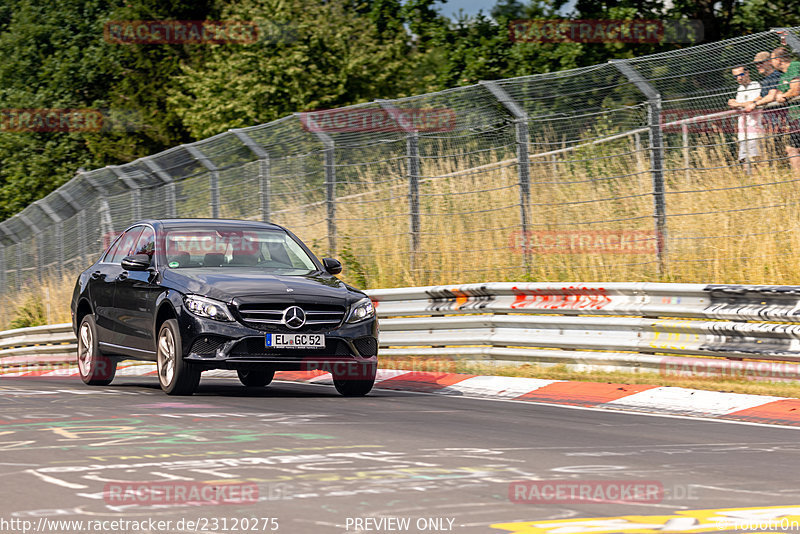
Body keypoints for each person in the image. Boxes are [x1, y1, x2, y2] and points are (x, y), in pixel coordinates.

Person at [771, 47, 800, 177]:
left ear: (778, 59)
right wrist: (782, 95)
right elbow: (778, 93)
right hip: (794, 118)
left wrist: (785, 96)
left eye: (772, 59)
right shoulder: (783, 75)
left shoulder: (794, 66)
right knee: (792, 149)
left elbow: (796, 89)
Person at [727, 66, 762, 172]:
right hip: (743, 130)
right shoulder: (740, 89)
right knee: (744, 160)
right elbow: (739, 106)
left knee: (756, 159)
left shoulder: (756, 85)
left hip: (754, 129)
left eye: (741, 75)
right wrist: (734, 104)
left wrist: (737, 104)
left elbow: (752, 103)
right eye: (736, 76)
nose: (739, 78)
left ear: (747, 73)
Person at [746, 52, 783, 137]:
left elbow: (771, 96)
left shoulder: (775, 76)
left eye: (761, 63)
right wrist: (751, 103)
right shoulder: (765, 80)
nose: (758, 66)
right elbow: (761, 97)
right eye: (756, 64)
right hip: (770, 121)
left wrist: (754, 104)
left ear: (769, 61)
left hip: (780, 119)